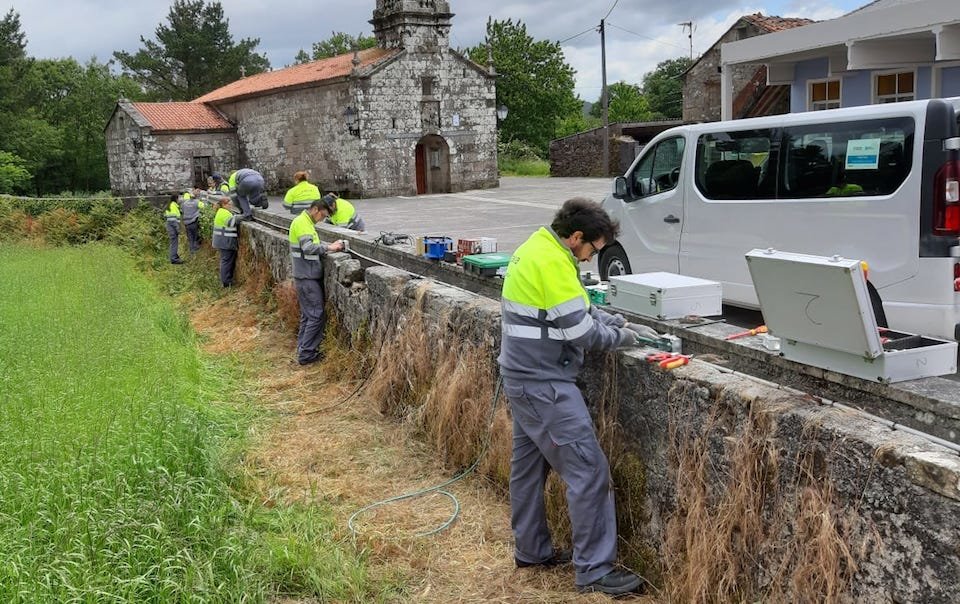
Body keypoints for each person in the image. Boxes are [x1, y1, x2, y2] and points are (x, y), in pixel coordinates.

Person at [498, 197, 656, 597]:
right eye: (592, 250)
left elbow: (576, 308)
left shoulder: (538, 247)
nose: (590, 259)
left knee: (528, 469)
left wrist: (614, 318)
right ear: (576, 238)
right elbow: (581, 333)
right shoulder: (553, 261)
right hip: (544, 385)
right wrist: (626, 337)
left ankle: (531, 550)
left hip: (522, 377)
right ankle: (595, 571)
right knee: (588, 471)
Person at [288, 200, 345, 365]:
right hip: (307, 277)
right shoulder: (303, 223)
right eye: (322, 214)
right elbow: (308, 248)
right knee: (316, 315)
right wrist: (330, 248)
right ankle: (307, 354)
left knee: (308, 316)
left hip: (304, 275)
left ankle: (303, 349)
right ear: (314, 209)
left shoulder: (302, 221)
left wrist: (326, 245)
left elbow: (312, 245)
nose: (322, 218)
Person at [211, 196, 244, 287]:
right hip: (225, 241)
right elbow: (231, 222)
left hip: (222, 241)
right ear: (224, 205)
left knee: (225, 260)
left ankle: (226, 280)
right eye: (229, 204)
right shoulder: (224, 213)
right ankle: (226, 282)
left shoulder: (221, 212)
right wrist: (243, 217)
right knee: (226, 261)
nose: (231, 206)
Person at [163, 193, 183, 265]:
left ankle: (174, 256)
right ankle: (174, 259)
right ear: (176, 199)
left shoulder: (170, 205)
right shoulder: (173, 206)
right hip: (173, 228)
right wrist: (178, 229)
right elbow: (173, 220)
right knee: (174, 243)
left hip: (170, 227)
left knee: (173, 242)